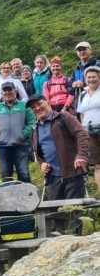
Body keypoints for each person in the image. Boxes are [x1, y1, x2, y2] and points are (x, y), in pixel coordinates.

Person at [28, 94, 89, 235]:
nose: (37, 108)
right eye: (34, 107)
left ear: (47, 103)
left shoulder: (63, 117)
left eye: (39, 104)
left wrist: (81, 155)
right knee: (54, 213)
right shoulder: (35, 128)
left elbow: (82, 134)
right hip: (53, 177)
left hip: (72, 171)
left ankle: (74, 243)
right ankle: (58, 244)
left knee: (74, 210)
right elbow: (38, 153)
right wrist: (42, 164)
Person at [0, 82, 35, 183]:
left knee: (24, 173)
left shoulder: (25, 106)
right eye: (5, 90)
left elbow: (32, 122)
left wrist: (24, 135)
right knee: (5, 176)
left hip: (21, 145)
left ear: (15, 91)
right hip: (2, 146)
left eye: (10, 90)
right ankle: (7, 198)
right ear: (1, 93)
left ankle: (28, 197)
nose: (7, 92)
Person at [77, 66, 100, 192]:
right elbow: (81, 114)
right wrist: (82, 130)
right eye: (89, 77)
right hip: (89, 131)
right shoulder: (82, 95)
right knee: (97, 165)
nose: (91, 79)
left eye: (94, 77)